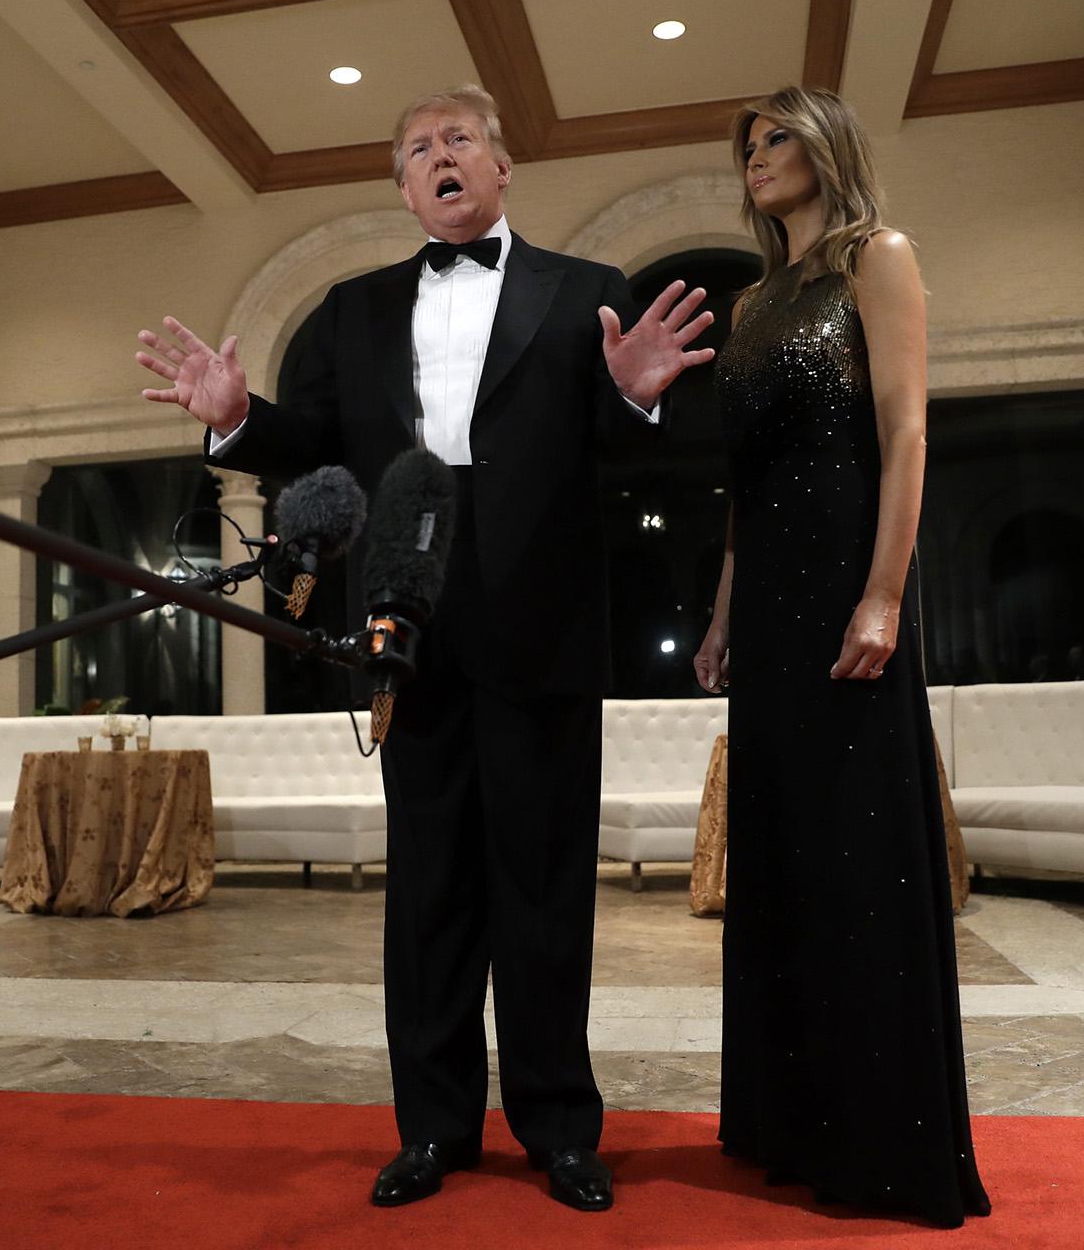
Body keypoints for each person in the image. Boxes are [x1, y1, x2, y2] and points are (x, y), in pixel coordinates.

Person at [135, 84, 714, 1213]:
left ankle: (558, 1126)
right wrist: (236, 417)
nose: (438, 157)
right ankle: (434, 1127)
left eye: (458, 140)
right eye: (416, 150)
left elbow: (615, 437)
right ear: (403, 189)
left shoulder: (587, 294)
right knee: (433, 890)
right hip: (409, 622)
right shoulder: (353, 310)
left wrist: (638, 399)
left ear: (501, 169)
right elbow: (315, 439)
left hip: (541, 627)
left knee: (544, 889)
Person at [692, 86, 992, 1227]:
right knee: (784, 857)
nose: (757, 157)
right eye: (748, 146)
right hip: (766, 607)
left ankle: (882, 1138)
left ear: (827, 147)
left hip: (843, 592)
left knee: (858, 857)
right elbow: (743, 482)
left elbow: (906, 428)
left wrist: (883, 593)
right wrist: (723, 610)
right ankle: (794, 1121)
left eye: (775, 137)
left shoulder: (879, 257)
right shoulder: (755, 298)